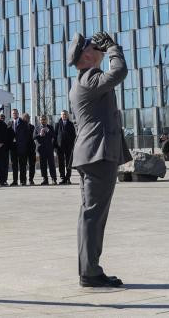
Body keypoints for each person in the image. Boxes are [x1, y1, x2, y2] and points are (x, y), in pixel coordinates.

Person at [68, 30, 130, 289]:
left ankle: (89, 269)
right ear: (87, 55)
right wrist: (115, 48)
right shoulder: (91, 77)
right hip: (98, 153)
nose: (101, 49)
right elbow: (118, 73)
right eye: (96, 47)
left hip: (90, 153)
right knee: (94, 215)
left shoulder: (81, 81)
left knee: (90, 215)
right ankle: (90, 272)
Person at [54, 110, 75, 185]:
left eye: (65, 114)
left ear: (67, 115)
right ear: (61, 115)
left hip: (69, 147)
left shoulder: (70, 124)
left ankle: (68, 178)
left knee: (68, 163)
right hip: (60, 147)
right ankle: (63, 178)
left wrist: (73, 145)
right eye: (62, 114)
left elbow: (73, 136)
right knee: (61, 163)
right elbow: (55, 136)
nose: (64, 116)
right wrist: (55, 147)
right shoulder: (57, 124)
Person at [35, 114, 57, 185]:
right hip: (41, 149)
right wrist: (39, 135)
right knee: (43, 165)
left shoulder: (50, 127)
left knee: (51, 164)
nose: (43, 121)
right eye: (41, 119)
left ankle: (54, 179)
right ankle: (45, 179)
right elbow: (33, 137)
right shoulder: (37, 127)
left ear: (46, 120)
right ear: (39, 120)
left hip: (49, 149)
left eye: (44, 119)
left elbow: (54, 136)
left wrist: (49, 131)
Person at [16, 113, 36, 185]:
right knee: (22, 165)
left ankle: (31, 179)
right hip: (23, 149)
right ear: (22, 118)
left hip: (31, 149)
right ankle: (23, 180)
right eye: (25, 117)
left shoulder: (32, 127)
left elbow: (34, 137)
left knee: (32, 165)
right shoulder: (19, 127)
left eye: (28, 117)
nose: (27, 119)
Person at [8, 108, 22, 185]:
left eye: (16, 113)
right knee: (14, 164)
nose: (14, 114)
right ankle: (15, 180)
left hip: (20, 146)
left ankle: (23, 180)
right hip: (12, 147)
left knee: (22, 164)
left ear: (18, 114)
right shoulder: (9, 123)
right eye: (13, 113)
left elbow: (25, 135)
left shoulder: (22, 123)